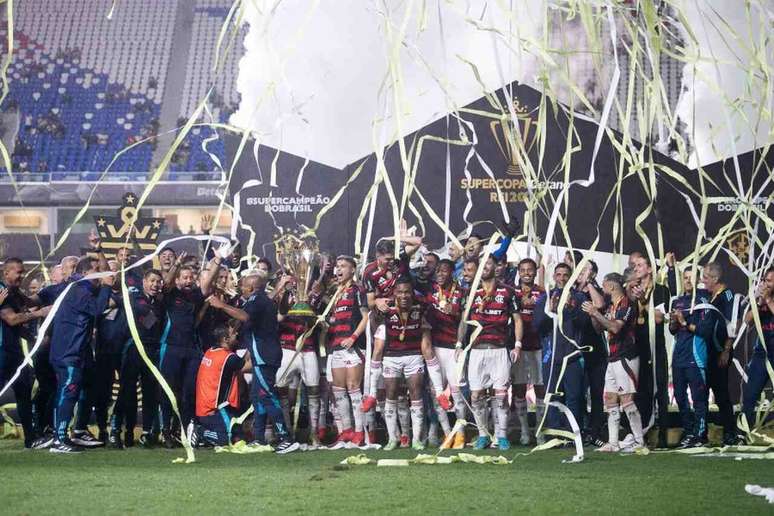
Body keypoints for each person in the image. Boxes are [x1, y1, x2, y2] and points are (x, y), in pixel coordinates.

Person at [49, 253, 112, 453]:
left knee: (83, 389)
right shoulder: (78, 290)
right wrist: (107, 286)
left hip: (77, 353)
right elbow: (97, 309)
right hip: (68, 353)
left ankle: (76, 431)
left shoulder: (81, 288)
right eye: (96, 272)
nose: (100, 275)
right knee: (67, 393)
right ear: (85, 273)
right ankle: (59, 438)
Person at [158, 252, 218, 447]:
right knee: (169, 391)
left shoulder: (195, 296)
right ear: (177, 279)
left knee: (188, 392)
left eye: (191, 277)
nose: (189, 280)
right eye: (185, 277)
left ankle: (184, 431)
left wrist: (218, 260)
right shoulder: (170, 294)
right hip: (171, 348)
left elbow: (207, 283)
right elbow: (166, 282)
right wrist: (176, 264)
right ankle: (165, 431)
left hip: (191, 350)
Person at [368, 276, 434, 451]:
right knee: (391, 395)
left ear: (412, 294)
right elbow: (373, 320)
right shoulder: (386, 311)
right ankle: (392, 438)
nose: (404, 296)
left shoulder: (421, 310)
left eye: (407, 292)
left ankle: (417, 439)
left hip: (414, 355)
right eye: (400, 292)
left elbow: (429, 299)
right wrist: (376, 303)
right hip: (391, 356)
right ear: (394, 293)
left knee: (416, 395)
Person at [583, 273, 645, 452]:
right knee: (610, 399)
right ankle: (613, 442)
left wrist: (595, 312)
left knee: (626, 400)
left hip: (626, 356)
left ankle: (639, 441)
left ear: (611, 287)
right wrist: (594, 315)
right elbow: (599, 328)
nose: (602, 289)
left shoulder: (626, 303)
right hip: (612, 357)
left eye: (604, 285)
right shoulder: (611, 306)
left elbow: (616, 328)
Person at [467, 255, 523, 450]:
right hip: (476, 350)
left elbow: (517, 320)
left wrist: (517, 344)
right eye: (482, 264)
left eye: (489, 263)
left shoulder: (508, 292)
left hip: (499, 349)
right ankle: (483, 435)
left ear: (496, 267)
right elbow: (463, 320)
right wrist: (459, 343)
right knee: (476, 396)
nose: (485, 267)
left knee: (500, 395)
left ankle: (502, 436)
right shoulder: (471, 291)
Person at [240, 271, 299, 454]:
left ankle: (285, 438)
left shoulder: (255, 301)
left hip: (264, 356)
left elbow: (244, 317)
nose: (240, 288)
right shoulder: (263, 300)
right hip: (264, 355)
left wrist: (221, 305)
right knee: (257, 396)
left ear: (250, 287)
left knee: (266, 395)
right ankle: (259, 439)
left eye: (242, 285)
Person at [110, 269, 165, 448]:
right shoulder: (133, 295)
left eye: (158, 281)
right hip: (134, 348)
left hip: (153, 351)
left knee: (150, 393)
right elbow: (112, 302)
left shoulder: (161, 301)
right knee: (126, 391)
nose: (155, 284)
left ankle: (147, 433)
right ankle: (115, 430)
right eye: (152, 281)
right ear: (143, 282)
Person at [534, 263, 588, 438]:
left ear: (571, 276)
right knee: (552, 397)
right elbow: (537, 326)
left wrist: (572, 309)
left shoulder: (579, 298)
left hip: (572, 356)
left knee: (574, 397)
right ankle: (554, 434)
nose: (562, 278)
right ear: (554, 277)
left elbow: (585, 325)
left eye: (566, 275)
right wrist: (548, 311)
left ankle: (573, 434)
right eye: (559, 274)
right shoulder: (545, 298)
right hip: (551, 356)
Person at [0, 258, 49, 448]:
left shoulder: (13, 293)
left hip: (13, 352)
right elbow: (12, 320)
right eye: (18, 272)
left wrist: (34, 340)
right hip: (2, 352)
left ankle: (31, 438)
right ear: (6, 273)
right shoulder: (2, 290)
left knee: (24, 391)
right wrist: (39, 313)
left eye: (23, 272)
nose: (22, 275)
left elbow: (19, 323)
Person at [326, 256, 370, 446]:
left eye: (343, 266)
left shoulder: (357, 289)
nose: (339, 269)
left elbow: (366, 317)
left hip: (354, 347)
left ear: (353, 269)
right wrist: (326, 323)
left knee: (353, 387)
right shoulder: (336, 292)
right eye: (337, 266)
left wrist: (353, 337)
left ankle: (360, 432)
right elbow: (336, 320)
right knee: (338, 390)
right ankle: (346, 430)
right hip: (336, 346)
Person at [629, 253, 671, 448]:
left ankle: (663, 434)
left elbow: (658, 319)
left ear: (649, 269)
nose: (635, 268)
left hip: (655, 347)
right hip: (636, 348)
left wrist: (644, 301)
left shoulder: (661, 291)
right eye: (633, 265)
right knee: (640, 393)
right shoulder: (631, 291)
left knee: (659, 391)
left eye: (639, 265)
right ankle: (641, 434)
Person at [669, 269, 714, 448]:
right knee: (679, 397)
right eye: (685, 278)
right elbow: (673, 330)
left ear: (698, 280)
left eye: (691, 278)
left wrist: (684, 322)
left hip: (695, 357)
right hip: (678, 357)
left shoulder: (702, 300)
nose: (687, 281)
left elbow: (704, 330)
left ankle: (700, 434)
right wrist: (674, 322)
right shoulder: (677, 301)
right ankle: (689, 432)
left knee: (699, 399)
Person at [424, 258, 467, 449]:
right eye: (438, 271)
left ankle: (461, 433)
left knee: (457, 394)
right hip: (435, 348)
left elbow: (466, 320)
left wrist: (455, 313)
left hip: (454, 348)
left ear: (452, 273)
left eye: (444, 271)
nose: (440, 274)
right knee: (436, 393)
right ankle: (446, 432)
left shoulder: (462, 292)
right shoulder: (431, 290)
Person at [190, 322, 250, 447]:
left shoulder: (210, 351)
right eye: (233, 333)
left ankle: (204, 435)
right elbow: (248, 366)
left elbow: (241, 362)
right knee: (226, 439)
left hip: (207, 409)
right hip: (213, 411)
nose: (237, 334)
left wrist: (250, 347)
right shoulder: (227, 358)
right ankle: (200, 432)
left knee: (238, 436)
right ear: (225, 339)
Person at [701, 262, 739, 445]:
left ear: (715, 279)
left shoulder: (727, 295)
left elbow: (733, 323)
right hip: (706, 352)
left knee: (721, 393)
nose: (703, 281)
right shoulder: (710, 297)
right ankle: (701, 434)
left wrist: (726, 350)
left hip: (720, 351)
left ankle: (730, 433)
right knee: (703, 393)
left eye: (706, 278)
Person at [511, 258, 546, 446]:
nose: (526, 273)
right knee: (519, 388)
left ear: (534, 271)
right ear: (518, 271)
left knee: (540, 387)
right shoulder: (512, 291)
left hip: (538, 345)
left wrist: (536, 304)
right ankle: (524, 431)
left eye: (530, 270)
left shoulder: (542, 292)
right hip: (519, 346)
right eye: (523, 269)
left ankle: (540, 431)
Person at [741, 267, 774, 436]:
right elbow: (747, 321)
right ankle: (744, 431)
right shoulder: (761, 301)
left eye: (769, 281)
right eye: (765, 281)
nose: (766, 285)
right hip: (761, 352)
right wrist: (758, 303)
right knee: (750, 392)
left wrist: (768, 300)